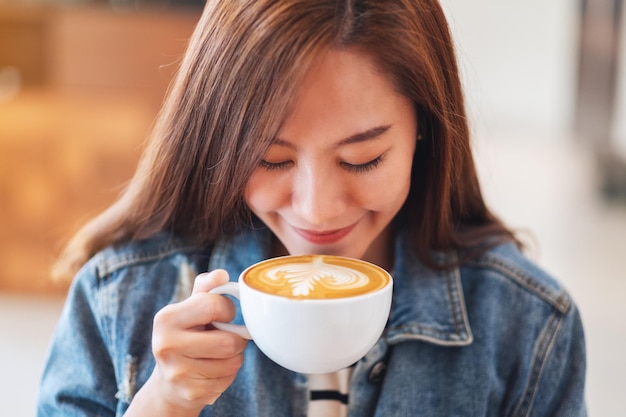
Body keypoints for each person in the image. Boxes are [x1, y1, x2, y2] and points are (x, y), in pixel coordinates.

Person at [37, 0, 587, 416]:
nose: (317, 211)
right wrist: (162, 402)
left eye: (362, 159)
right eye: (271, 160)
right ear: (214, 143)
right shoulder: (119, 297)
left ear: (425, 128)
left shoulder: (528, 326)